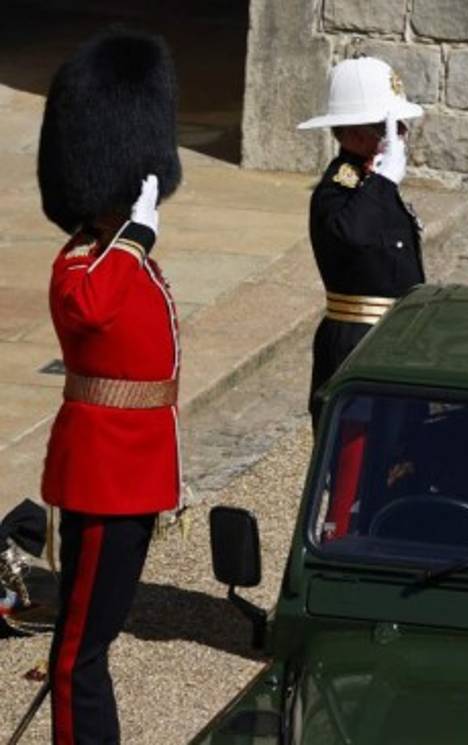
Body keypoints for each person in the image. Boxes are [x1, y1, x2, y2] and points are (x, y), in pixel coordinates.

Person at [36, 29, 183, 744]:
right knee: (76, 653)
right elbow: (92, 309)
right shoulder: (83, 264)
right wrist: (136, 239)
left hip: (135, 476)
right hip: (101, 480)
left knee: (97, 642)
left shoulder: (125, 260)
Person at [296, 57, 427, 430]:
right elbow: (351, 235)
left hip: (395, 337)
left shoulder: (373, 188)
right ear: (354, 134)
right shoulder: (338, 189)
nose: (401, 134)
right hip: (358, 343)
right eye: (389, 127)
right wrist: (384, 181)